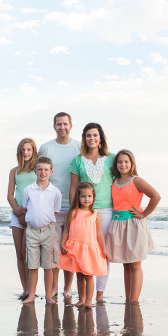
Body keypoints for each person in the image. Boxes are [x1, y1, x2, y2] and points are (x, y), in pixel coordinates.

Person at [68, 123, 115, 303]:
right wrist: (74, 211)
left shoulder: (111, 158)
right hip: (84, 213)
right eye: (88, 135)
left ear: (100, 137)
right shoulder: (77, 161)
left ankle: (100, 293)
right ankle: (84, 296)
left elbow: (121, 181)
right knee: (83, 251)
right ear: (84, 138)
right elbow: (73, 188)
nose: (92, 138)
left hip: (107, 210)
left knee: (102, 252)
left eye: (95, 135)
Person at [105, 149, 160, 303]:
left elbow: (156, 196)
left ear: (131, 163)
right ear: (116, 164)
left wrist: (144, 214)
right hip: (118, 225)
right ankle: (128, 297)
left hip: (133, 225)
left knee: (135, 265)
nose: (123, 164)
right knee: (126, 265)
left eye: (126, 162)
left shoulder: (136, 180)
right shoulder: (114, 182)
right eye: (120, 162)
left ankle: (133, 301)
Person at [38, 112, 81, 299]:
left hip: (74, 206)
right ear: (54, 126)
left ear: (71, 125)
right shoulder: (45, 148)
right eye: (58, 124)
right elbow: (38, 174)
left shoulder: (78, 147)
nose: (62, 127)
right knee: (53, 249)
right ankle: (54, 287)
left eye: (65, 124)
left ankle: (67, 288)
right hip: (52, 209)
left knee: (69, 251)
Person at [58, 182, 108, 309]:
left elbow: (99, 233)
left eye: (89, 196)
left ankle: (89, 301)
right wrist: (62, 243)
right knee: (79, 275)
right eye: (83, 196)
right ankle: (81, 299)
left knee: (89, 275)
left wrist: (104, 248)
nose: (87, 199)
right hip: (75, 247)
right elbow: (66, 230)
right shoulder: (72, 213)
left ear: (93, 197)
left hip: (89, 249)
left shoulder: (95, 214)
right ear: (78, 197)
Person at [22, 156, 62, 305]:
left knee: (48, 266)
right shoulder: (29, 190)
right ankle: (31, 295)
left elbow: (55, 212)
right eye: (40, 169)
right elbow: (26, 208)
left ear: (51, 172)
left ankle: (48, 296)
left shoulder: (55, 192)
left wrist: (46, 223)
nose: (43, 172)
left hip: (48, 232)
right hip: (32, 231)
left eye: (46, 170)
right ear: (35, 171)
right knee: (32, 265)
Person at [7, 138, 37, 299]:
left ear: (33, 151)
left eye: (29, 149)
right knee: (19, 253)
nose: (26, 152)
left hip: (32, 216)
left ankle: (31, 289)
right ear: (19, 152)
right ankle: (24, 289)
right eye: (23, 150)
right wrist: (18, 212)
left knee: (27, 254)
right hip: (16, 216)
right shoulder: (14, 171)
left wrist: (27, 214)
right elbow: (9, 195)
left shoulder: (36, 170)